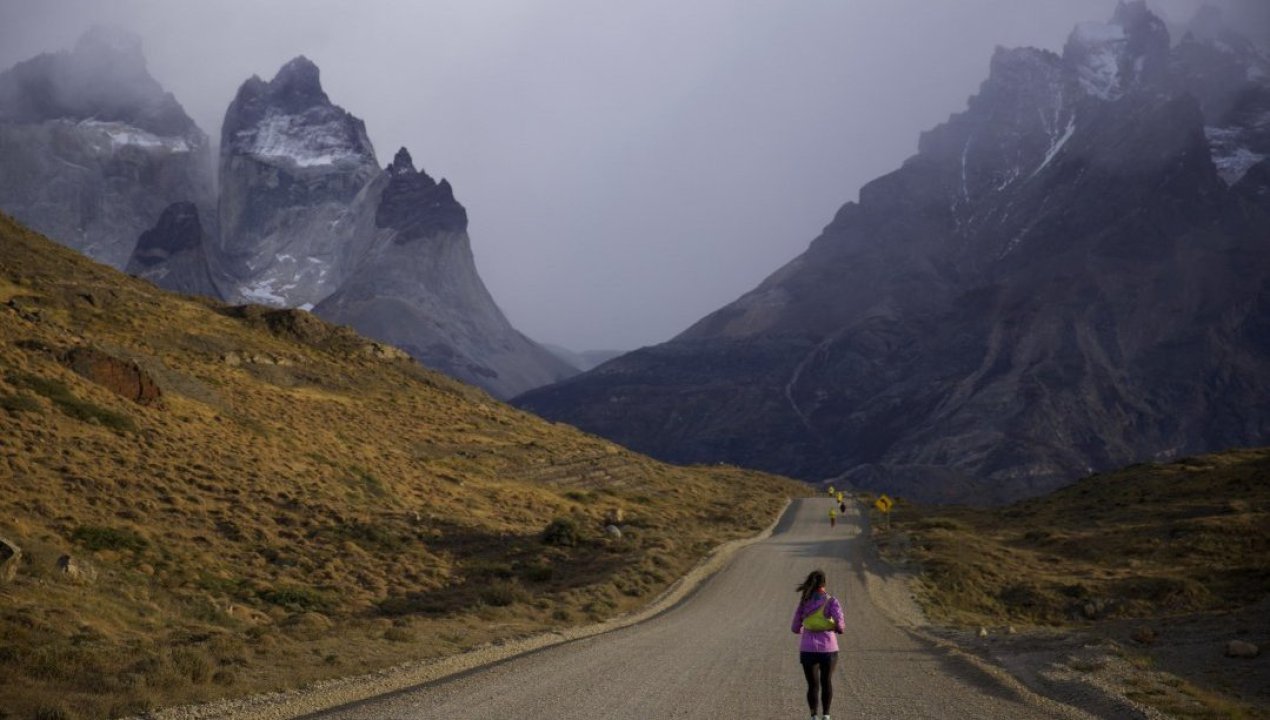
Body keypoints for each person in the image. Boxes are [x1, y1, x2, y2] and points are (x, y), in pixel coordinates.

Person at [791, 569, 844, 720]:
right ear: (824, 583)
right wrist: (836, 628)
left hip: (808, 649)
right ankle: (826, 715)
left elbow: (795, 627)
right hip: (829, 649)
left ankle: (813, 716)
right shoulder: (831, 601)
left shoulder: (804, 601)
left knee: (812, 685)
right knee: (826, 682)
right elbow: (840, 624)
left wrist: (803, 628)